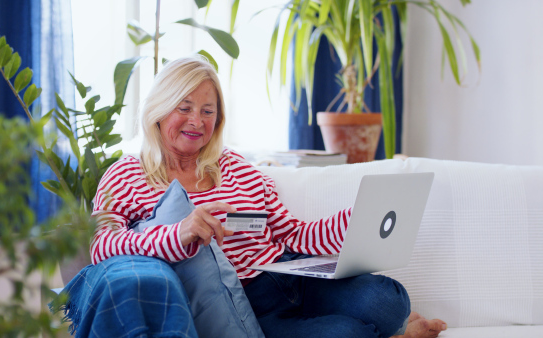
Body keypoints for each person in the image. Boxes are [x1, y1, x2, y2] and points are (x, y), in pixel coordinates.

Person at [90, 55, 447, 338]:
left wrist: (353, 222)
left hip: (287, 274)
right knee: (346, 333)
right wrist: (178, 232)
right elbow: (101, 245)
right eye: (183, 108)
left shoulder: (235, 166)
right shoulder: (125, 174)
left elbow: (290, 233)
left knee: (388, 299)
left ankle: (392, 325)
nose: (196, 121)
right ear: (159, 108)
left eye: (207, 111)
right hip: (245, 305)